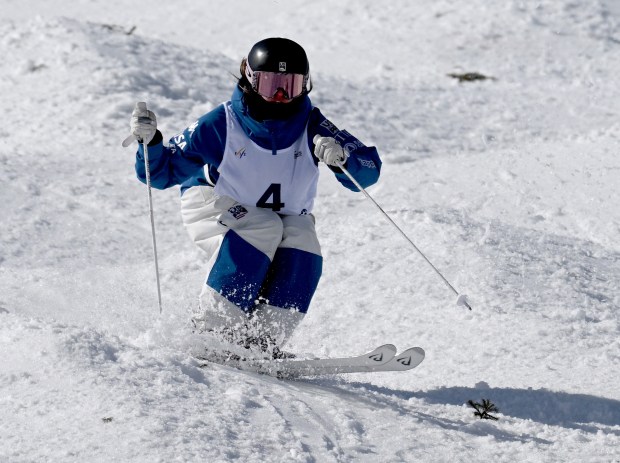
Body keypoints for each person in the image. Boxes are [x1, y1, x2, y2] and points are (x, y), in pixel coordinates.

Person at [126, 37, 382, 358]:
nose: (278, 97)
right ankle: (211, 332)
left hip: (279, 215)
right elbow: (162, 171)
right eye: (269, 84)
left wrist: (344, 156)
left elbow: (370, 170)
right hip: (212, 202)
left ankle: (261, 341)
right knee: (263, 227)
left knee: (303, 241)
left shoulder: (312, 125)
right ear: (248, 77)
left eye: (289, 86)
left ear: (305, 85)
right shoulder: (222, 124)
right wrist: (149, 143)